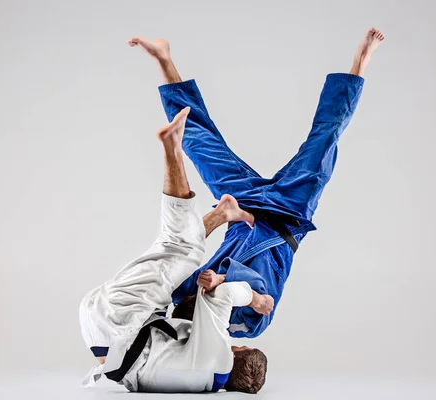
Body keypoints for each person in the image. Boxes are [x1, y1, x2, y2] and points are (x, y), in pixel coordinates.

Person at [128, 28, 385, 338]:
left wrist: (160, 296)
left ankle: (164, 60)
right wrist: (223, 281)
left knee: (196, 143)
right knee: (325, 138)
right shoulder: (244, 328)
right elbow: (261, 293)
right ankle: (361, 60)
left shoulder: (184, 308)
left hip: (240, 208)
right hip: (288, 214)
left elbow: (174, 271)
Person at [78, 107, 271, 393]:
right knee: (173, 263)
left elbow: (228, 295)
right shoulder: (203, 382)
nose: (232, 340)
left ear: (236, 356)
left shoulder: (219, 359)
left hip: (121, 321)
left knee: (180, 247)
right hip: (105, 337)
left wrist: (258, 301)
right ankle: (222, 214)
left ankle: (172, 146)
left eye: (239, 345)